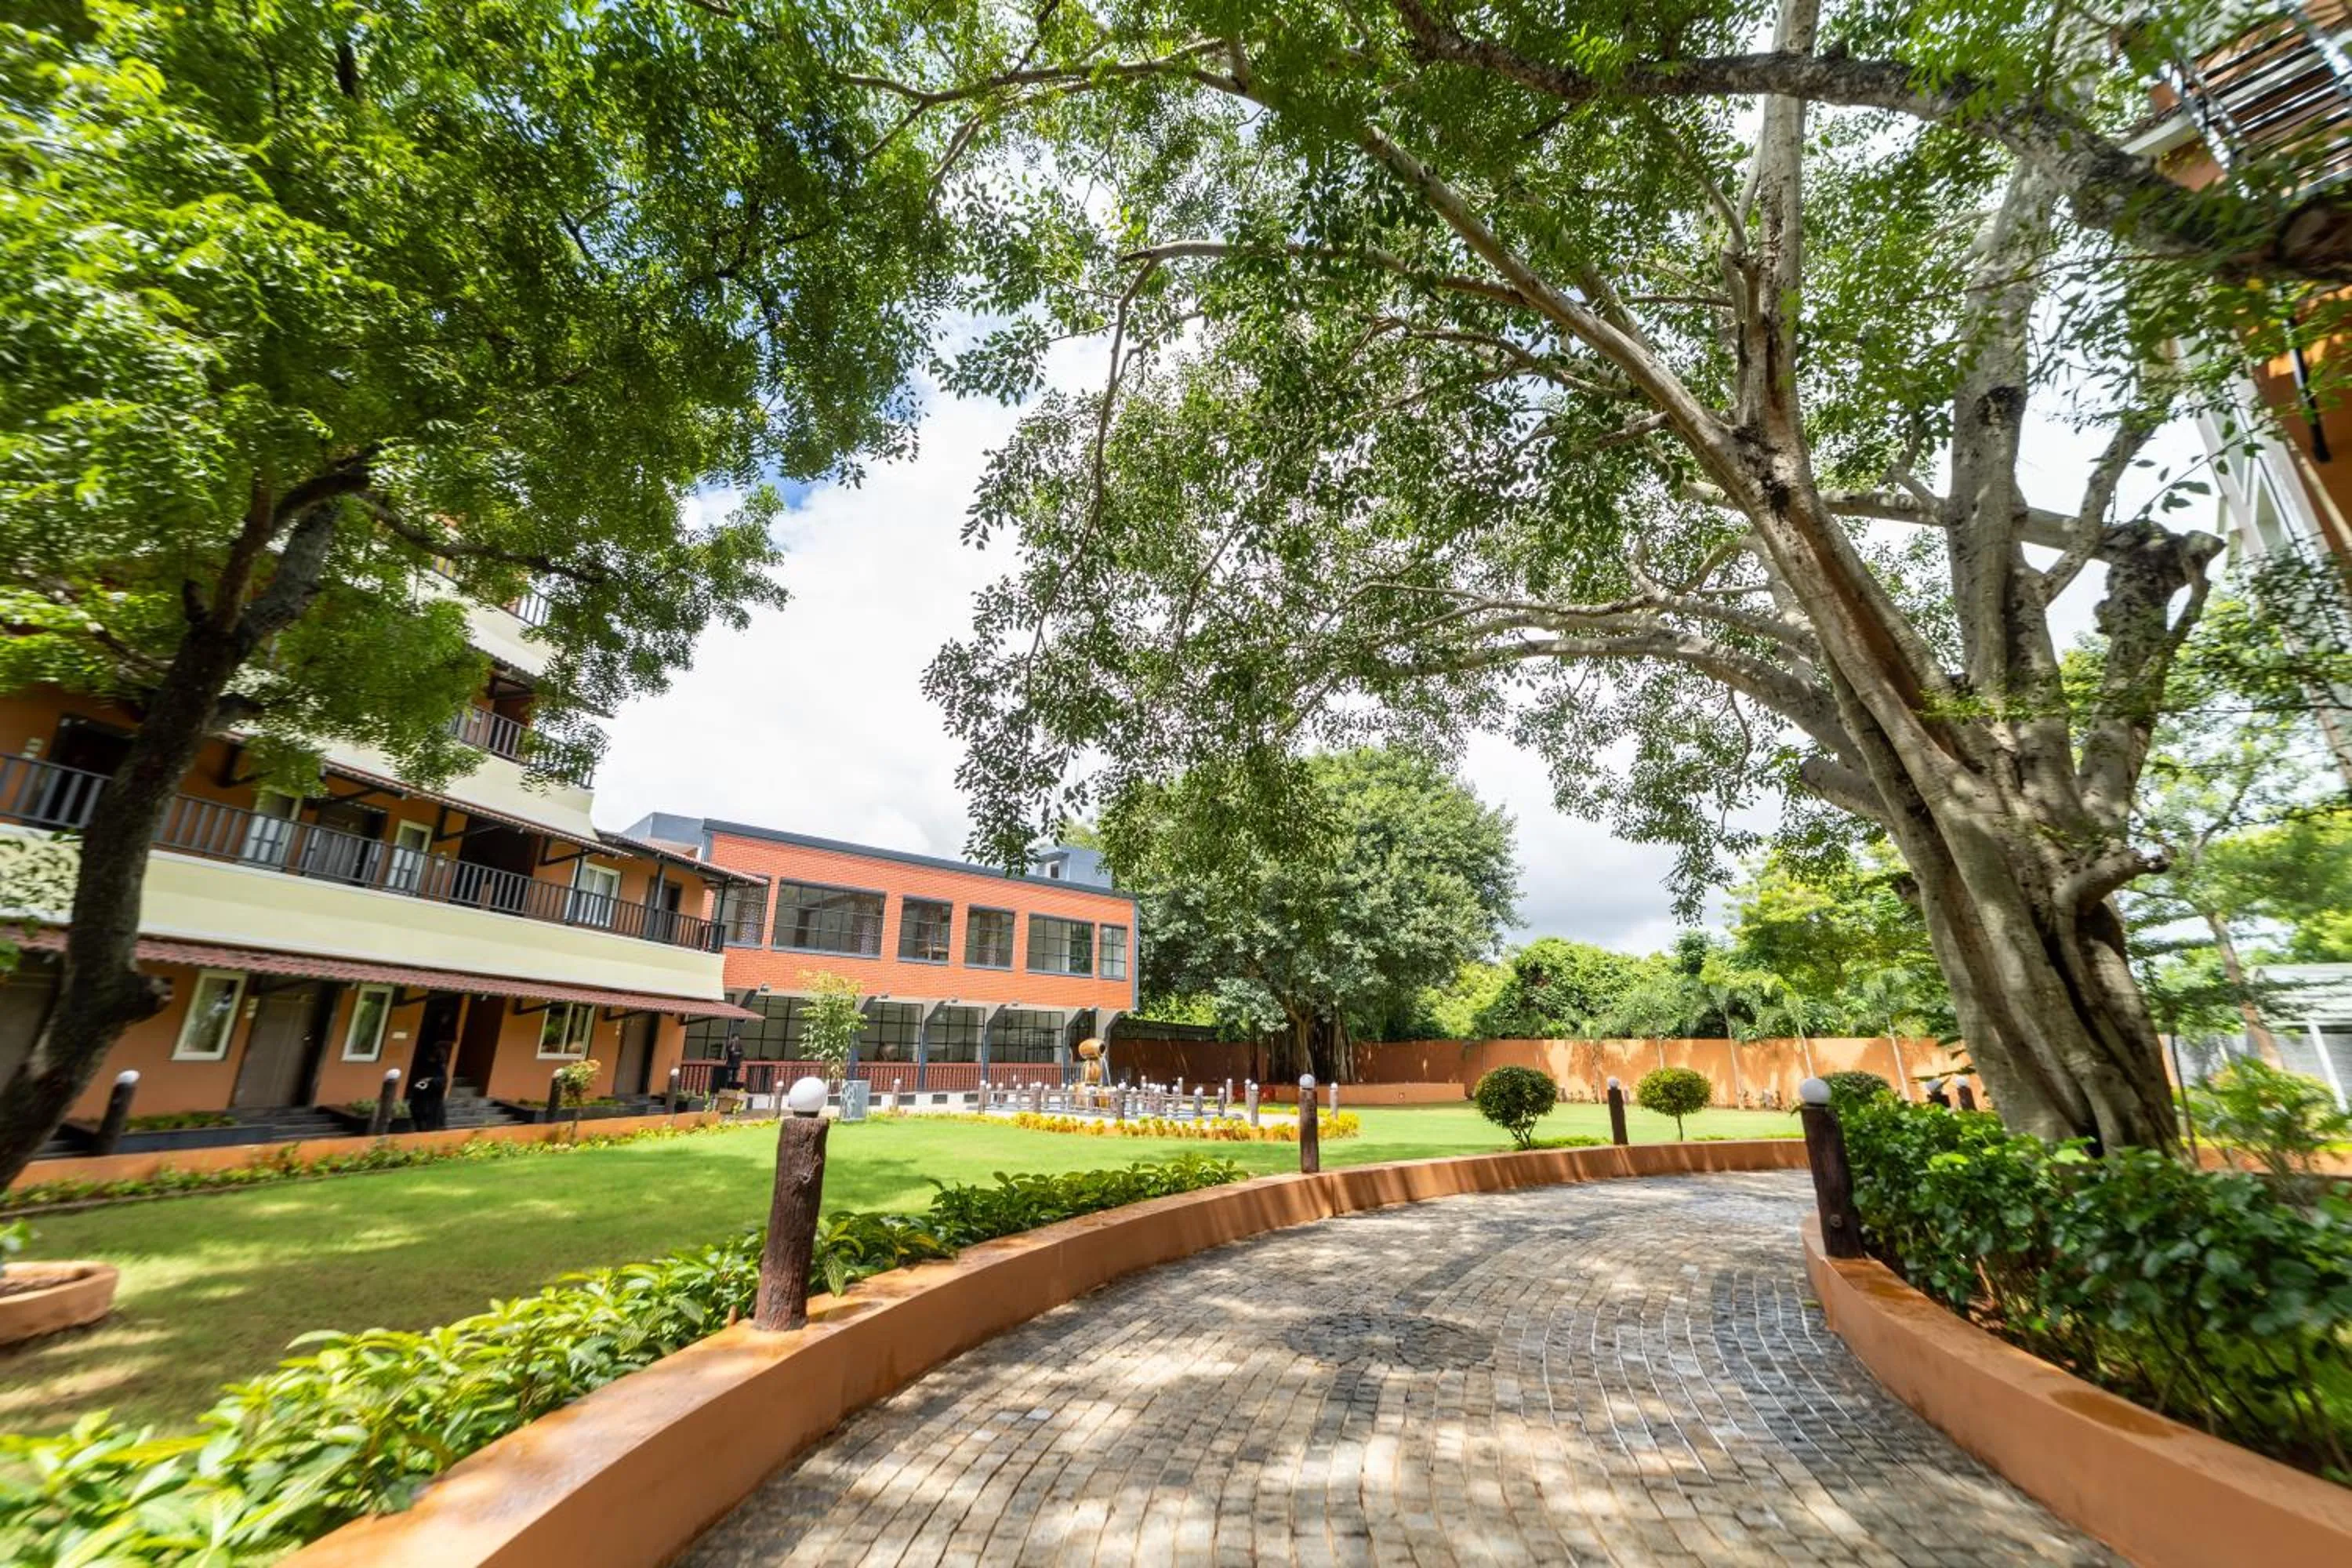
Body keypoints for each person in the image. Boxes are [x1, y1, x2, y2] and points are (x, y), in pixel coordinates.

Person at [408, 1036, 452, 1132]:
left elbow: (442, 1084)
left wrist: (430, 1081)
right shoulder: (426, 1066)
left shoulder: (439, 1069)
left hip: (432, 1104)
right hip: (422, 1102)